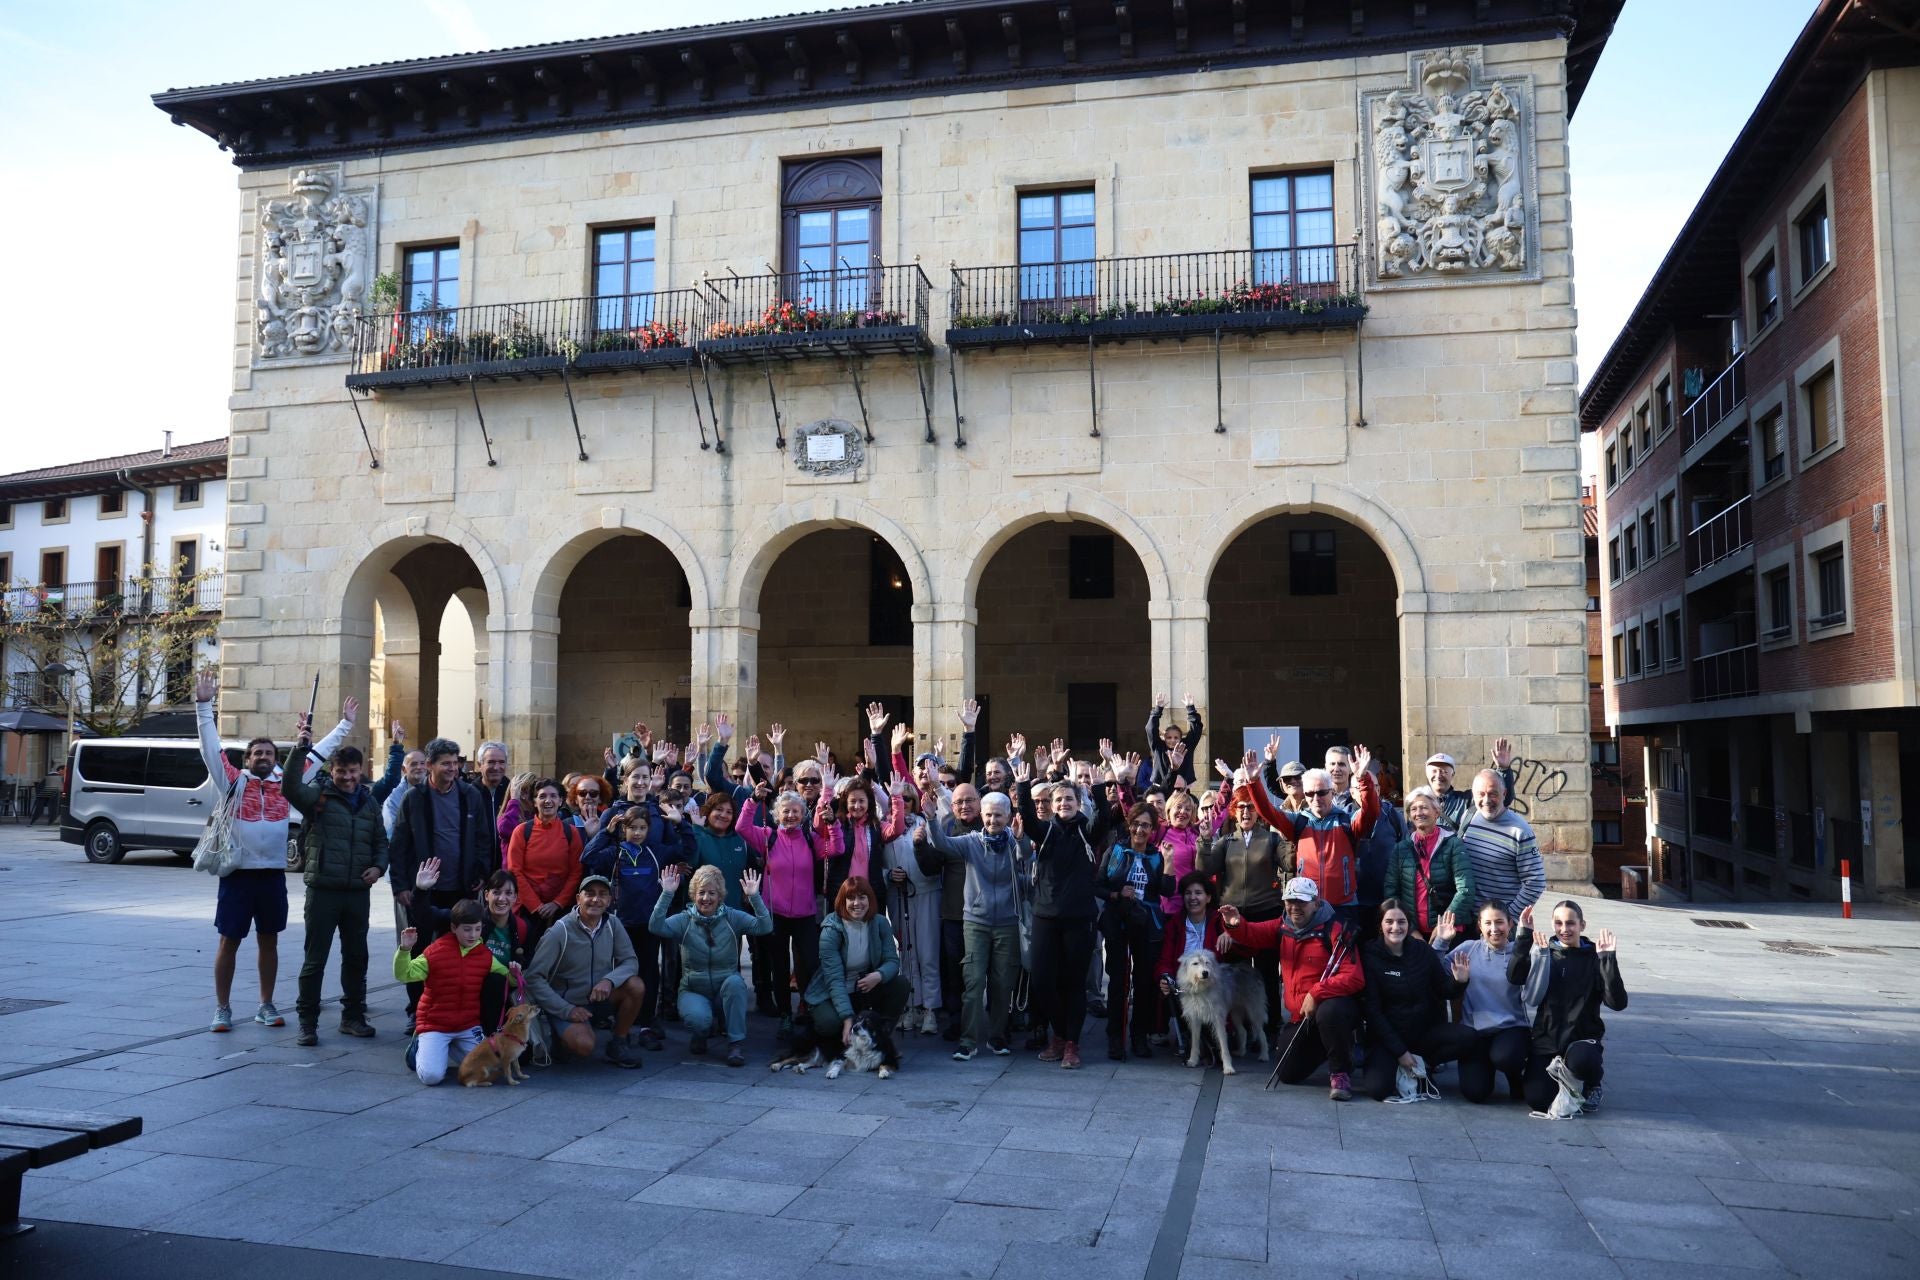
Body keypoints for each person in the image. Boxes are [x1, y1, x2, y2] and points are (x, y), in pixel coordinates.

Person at [194, 669, 356, 1034]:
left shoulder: (287, 782)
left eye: (268, 753)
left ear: (275, 757)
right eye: (257, 753)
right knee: (228, 941)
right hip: (237, 874)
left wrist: (344, 725)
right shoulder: (232, 782)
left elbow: (318, 753)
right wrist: (204, 706)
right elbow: (209, 746)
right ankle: (222, 1008)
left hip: (271, 876)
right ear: (247, 758)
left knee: (270, 941)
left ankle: (266, 1004)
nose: (263, 757)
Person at [388, 735, 501, 1034]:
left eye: (456, 762)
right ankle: (416, 1010)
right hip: (424, 890)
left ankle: (461, 1011)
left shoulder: (469, 795)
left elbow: (483, 838)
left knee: (459, 950)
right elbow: (399, 843)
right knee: (420, 950)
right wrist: (401, 885)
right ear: (430, 765)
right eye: (446, 763)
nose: (453, 768)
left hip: (460, 888)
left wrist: (480, 872)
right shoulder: (414, 797)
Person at [1014, 752, 1119, 1070]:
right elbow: (1029, 819)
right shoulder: (1045, 832)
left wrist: (1098, 788)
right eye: (1059, 800)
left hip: (1080, 919)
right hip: (1046, 916)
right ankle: (1058, 1034)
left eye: (1069, 800)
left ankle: (1071, 1043)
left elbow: (1104, 818)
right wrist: (1021, 786)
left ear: (1078, 802)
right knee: (1043, 981)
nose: (1064, 804)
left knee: (1074, 984)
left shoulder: (1087, 831)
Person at [1218, 876, 1364, 1100]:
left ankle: (1340, 1071)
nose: (1295, 908)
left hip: (1332, 1008)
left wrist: (1316, 993)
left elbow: (1354, 977)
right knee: (1287, 1073)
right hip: (1300, 1016)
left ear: (1316, 902)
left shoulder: (1335, 929)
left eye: (1302, 902)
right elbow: (1253, 934)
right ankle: (1333, 1046)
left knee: (1330, 1012)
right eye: (1290, 901)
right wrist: (1235, 924)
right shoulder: (1282, 925)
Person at [282, 742, 387, 1046]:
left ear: (361, 770)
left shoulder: (368, 803)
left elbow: (381, 841)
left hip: (357, 892)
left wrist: (379, 867)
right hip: (323, 890)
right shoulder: (319, 796)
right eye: (341, 771)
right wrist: (300, 749)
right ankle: (307, 1022)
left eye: (353, 771)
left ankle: (352, 1017)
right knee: (315, 960)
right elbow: (289, 788)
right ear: (332, 770)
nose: (348, 777)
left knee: (356, 957)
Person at [915, 789, 1022, 1061]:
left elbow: (1030, 862)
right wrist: (930, 820)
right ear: (981, 816)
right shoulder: (971, 841)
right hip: (975, 921)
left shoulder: (1014, 842)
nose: (993, 821)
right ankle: (968, 1040)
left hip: (1008, 922)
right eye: (988, 815)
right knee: (972, 983)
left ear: (1008, 817)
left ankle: (997, 1037)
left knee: (1001, 983)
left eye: (999, 815)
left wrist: (1022, 841)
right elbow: (942, 844)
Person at [581, 797, 693, 1052]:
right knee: (620, 973)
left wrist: (680, 824)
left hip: (648, 924)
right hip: (620, 925)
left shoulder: (657, 852)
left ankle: (646, 1023)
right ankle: (619, 1021)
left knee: (649, 972)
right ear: (624, 829)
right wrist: (605, 834)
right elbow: (588, 858)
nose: (638, 833)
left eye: (643, 828)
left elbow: (687, 848)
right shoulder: (615, 852)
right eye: (633, 828)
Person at [1510, 900, 1627, 1116]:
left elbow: (1617, 1003)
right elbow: (1515, 977)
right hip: (1547, 1040)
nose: (1564, 929)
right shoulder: (1545, 951)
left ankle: (1592, 1082)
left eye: (1571, 923)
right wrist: (1524, 936)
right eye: (1559, 923)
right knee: (1537, 1100)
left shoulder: (1595, 955)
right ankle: (1563, 1079)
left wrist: (1608, 960)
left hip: (1581, 1039)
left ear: (1582, 925)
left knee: (1581, 1060)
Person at [651, 864, 772, 1067]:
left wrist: (754, 897)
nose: (706, 898)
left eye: (711, 893)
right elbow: (656, 926)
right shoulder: (684, 920)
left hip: (725, 985)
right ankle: (701, 1033)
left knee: (735, 984)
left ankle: (735, 1044)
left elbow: (765, 926)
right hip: (694, 988)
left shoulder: (732, 917)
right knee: (699, 1020)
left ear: (720, 895)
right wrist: (666, 894)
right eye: (701, 893)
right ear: (693, 895)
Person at [522, 875, 648, 1069]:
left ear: (609, 900)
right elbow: (533, 977)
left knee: (635, 985)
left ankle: (618, 1043)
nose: (596, 900)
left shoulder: (613, 924)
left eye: (602, 895)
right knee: (583, 1047)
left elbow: (630, 961)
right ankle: (560, 1038)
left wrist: (609, 980)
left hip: (600, 997)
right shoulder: (560, 931)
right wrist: (567, 1010)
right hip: (567, 1003)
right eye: (589, 894)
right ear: (578, 899)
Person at [1356, 899, 1474, 1101]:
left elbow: (1442, 989)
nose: (1396, 927)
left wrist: (1459, 981)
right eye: (1389, 922)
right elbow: (1372, 1011)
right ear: (1380, 925)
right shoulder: (1369, 955)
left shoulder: (1422, 951)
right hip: (1386, 1039)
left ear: (1408, 924)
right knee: (1378, 1090)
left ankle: (1424, 1064)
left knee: (1469, 1037)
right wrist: (1400, 1052)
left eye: (1401, 922)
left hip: (1422, 1035)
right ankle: (1401, 1065)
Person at [1250, 743, 1379, 922]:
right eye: (1310, 794)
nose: (1315, 798)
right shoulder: (1298, 822)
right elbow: (1267, 811)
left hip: (1344, 906)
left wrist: (1363, 777)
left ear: (1331, 792)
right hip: (1307, 906)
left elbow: (1371, 811)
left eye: (1321, 793)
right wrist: (1253, 783)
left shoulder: (1346, 820)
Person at [1197, 785, 1291, 1029]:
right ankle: (1240, 1028)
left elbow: (1290, 863)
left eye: (1251, 807)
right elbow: (1204, 870)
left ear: (1259, 812)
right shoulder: (1227, 842)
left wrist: (1290, 837)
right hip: (1233, 915)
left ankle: (1270, 1025)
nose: (1246, 812)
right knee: (1235, 975)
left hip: (1266, 914)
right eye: (1241, 807)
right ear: (1234, 812)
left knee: (1267, 973)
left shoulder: (1271, 839)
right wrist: (1205, 841)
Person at [738, 786, 828, 1038]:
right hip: (775, 913)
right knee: (778, 966)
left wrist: (831, 824)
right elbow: (741, 827)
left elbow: (836, 849)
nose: (791, 815)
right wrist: (753, 800)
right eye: (786, 811)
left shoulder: (811, 839)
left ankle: (809, 1009)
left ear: (803, 815)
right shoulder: (768, 836)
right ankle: (785, 1015)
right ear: (777, 814)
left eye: (796, 811)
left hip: (805, 914)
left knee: (809, 964)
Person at [393, 900, 510, 1085]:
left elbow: (508, 976)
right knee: (432, 1077)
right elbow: (404, 974)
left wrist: (515, 970)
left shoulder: (485, 955)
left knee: (493, 1069)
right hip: (435, 1025)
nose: (473, 935)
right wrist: (405, 950)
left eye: (477, 929)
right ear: (453, 927)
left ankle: (445, 1048)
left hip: (467, 1025)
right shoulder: (435, 952)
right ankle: (417, 1048)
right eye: (467, 929)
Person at [1431, 902, 1531, 1104]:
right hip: (1475, 1032)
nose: (1495, 929)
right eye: (1488, 923)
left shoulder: (1519, 953)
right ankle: (1486, 1067)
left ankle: (1514, 1076)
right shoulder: (1469, 949)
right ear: (1480, 926)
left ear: (1510, 924)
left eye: (1500, 922)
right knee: (1475, 1092)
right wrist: (1441, 941)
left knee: (1505, 1057)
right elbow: (1431, 969)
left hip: (1511, 1028)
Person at [1095, 804, 1172, 1061]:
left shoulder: (1156, 856)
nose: (1140, 829)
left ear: (1153, 829)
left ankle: (1139, 1035)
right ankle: (1115, 1038)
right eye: (1136, 823)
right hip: (1117, 919)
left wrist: (1169, 864)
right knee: (1118, 980)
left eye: (1146, 825)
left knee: (1144, 981)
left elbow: (1167, 891)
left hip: (1146, 922)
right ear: (1129, 825)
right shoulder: (1116, 850)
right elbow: (1098, 886)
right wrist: (1117, 895)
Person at [806, 876, 911, 1045]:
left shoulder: (880, 923)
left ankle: (880, 1038)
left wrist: (878, 975)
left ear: (870, 900)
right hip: (832, 991)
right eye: (851, 898)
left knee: (901, 984)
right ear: (842, 901)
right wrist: (847, 1018)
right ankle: (841, 1034)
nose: (857, 903)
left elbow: (892, 960)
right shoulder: (831, 929)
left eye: (862, 897)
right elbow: (835, 980)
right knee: (829, 1024)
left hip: (864, 988)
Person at [1382, 787, 1478, 940]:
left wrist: (1443, 926)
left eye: (1424, 807)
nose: (1419, 812)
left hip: (1450, 930)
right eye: (1413, 809)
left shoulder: (1453, 844)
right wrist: (1411, 930)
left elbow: (1465, 889)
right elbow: (1391, 891)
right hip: (1412, 933)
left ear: (1437, 812)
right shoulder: (1401, 849)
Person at [504, 778, 585, 955]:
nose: (548, 801)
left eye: (553, 796)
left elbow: (576, 871)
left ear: (561, 801)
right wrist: (536, 905)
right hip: (527, 910)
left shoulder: (570, 832)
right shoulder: (522, 831)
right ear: (534, 801)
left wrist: (557, 903)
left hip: (560, 911)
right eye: (542, 796)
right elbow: (514, 870)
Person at [1155, 872, 1228, 1059]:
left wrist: (1231, 934)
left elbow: (1240, 952)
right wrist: (1164, 975)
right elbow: (1165, 959)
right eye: (1188, 893)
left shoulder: (1219, 921)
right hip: (1186, 988)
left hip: (1213, 987)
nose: (1192, 898)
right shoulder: (1175, 924)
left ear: (1208, 897)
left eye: (1198, 893)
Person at [1458, 768, 1546, 922]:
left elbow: (1536, 882)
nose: (1486, 800)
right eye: (1481, 794)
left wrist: (1508, 917)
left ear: (1504, 794)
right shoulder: (1468, 817)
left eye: (1493, 793)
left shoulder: (1520, 831)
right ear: (1473, 794)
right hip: (1469, 919)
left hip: (1500, 925)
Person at [1426, 739, 1516, 836]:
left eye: (1444, 771)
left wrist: (1503, 770)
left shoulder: (1467, 800)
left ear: (1452, 775)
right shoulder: (1419, 803)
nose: (1438, 775)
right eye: (1434, 771)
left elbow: (1503, 800)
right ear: (1427, 774)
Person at [1144, 693, 1203, 791]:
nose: (1172, 740)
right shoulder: (1158, 747)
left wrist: (1191, 709)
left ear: (1180, 739)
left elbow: (1196, 730)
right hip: (1161, 788)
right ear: (1164, 738)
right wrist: (1157, 710)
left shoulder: (1186, 746)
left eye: (1176, 738)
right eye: (1169, 737)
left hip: (1182, 790)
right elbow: (1150, 729)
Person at [382, 748, 428, 837]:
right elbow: (390, 831)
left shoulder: (435, 790)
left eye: (422, 763)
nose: (419, 767)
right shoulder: (393, 798)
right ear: (404, 769)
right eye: (413, 764)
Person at [475, 741, 511, 823]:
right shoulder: (470, 793)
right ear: (480, 765)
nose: (496, 767)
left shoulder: (513, 793)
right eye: (491, 762)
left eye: (501, 762)